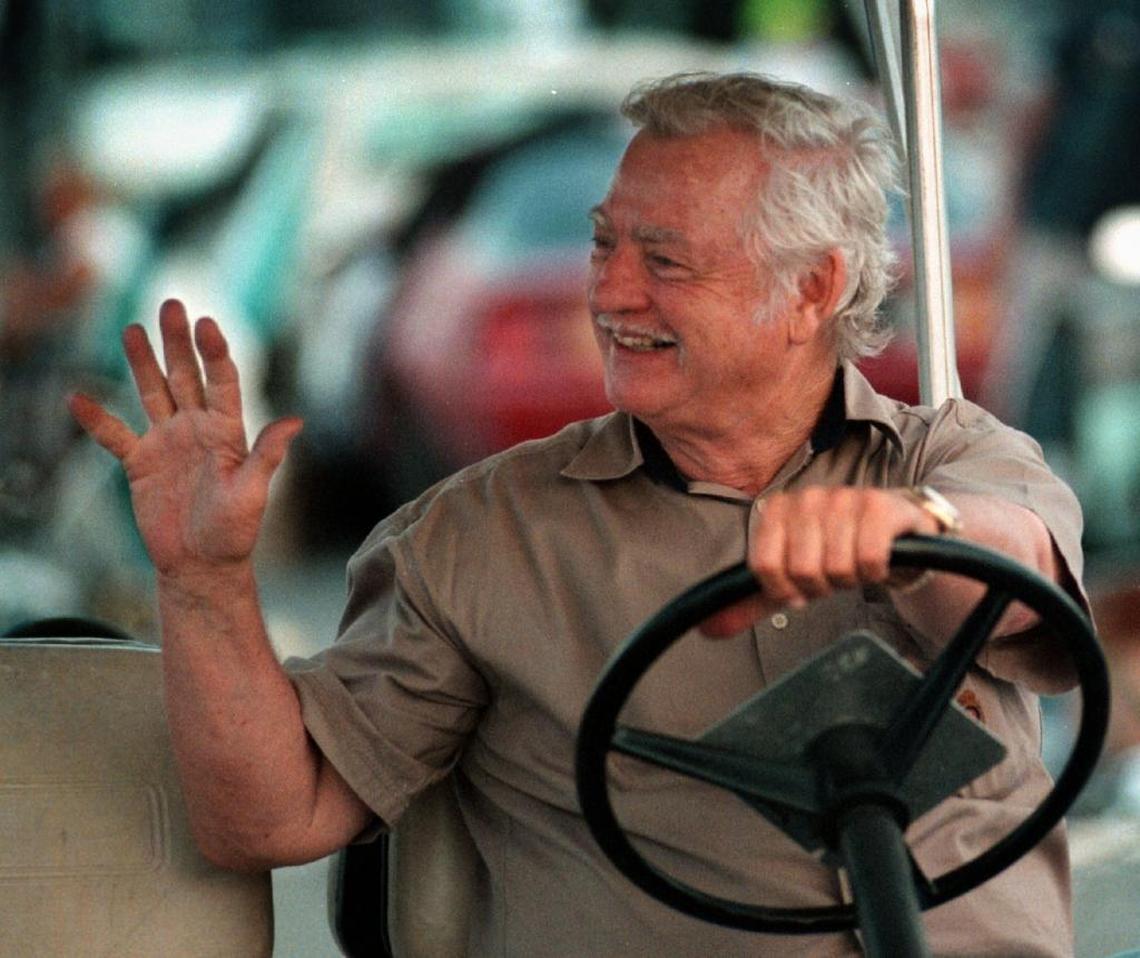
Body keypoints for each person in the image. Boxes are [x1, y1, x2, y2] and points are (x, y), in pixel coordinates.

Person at [69, 72, 1087, 957]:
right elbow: (270, 818)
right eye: (603, 244)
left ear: (812, 286)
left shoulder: (956, 459)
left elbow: (1015, 582)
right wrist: (202, 581)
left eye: (665, 260)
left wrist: (915, 532)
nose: (607, 292)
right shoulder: (476, 537)